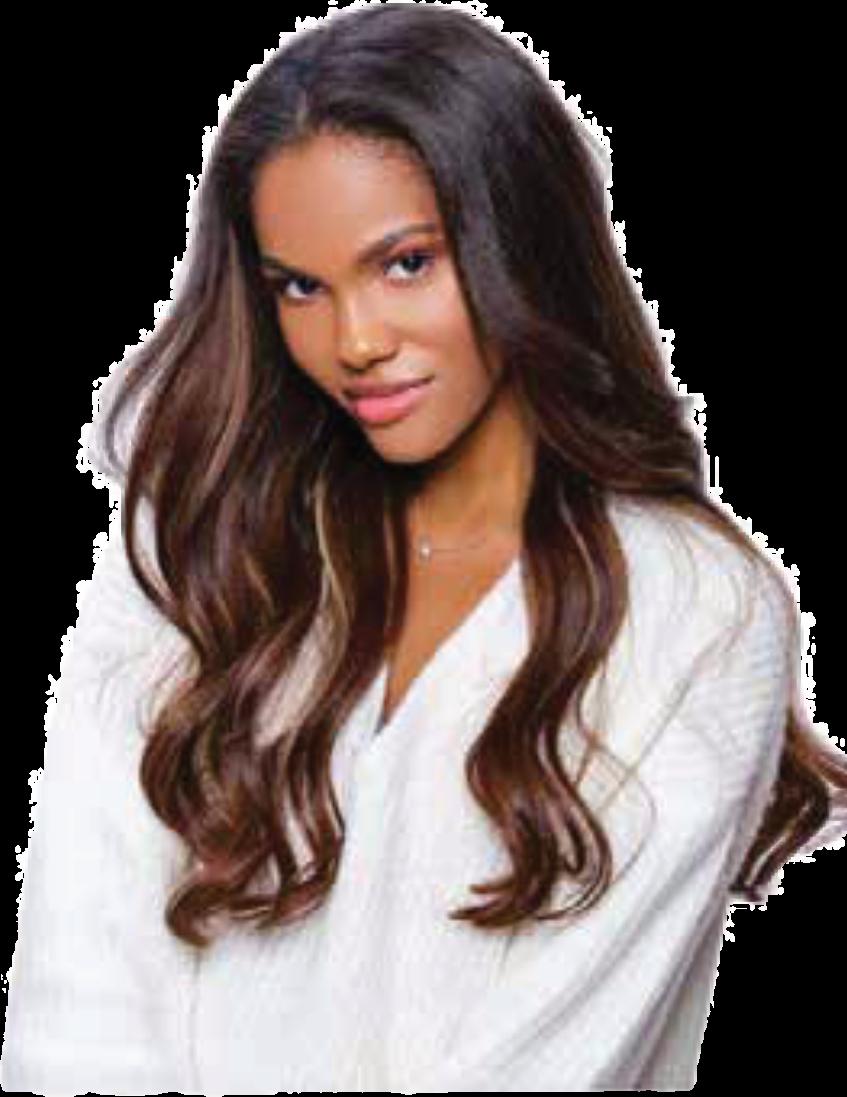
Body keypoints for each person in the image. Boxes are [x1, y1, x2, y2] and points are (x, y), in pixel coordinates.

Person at [2, 5, 845, 1093]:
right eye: (299, 286)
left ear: (520, 241)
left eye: (404, 264)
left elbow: (552, 1067)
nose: (353, 340)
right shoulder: (203, 547)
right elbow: (77, 1005)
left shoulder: (689, 607)